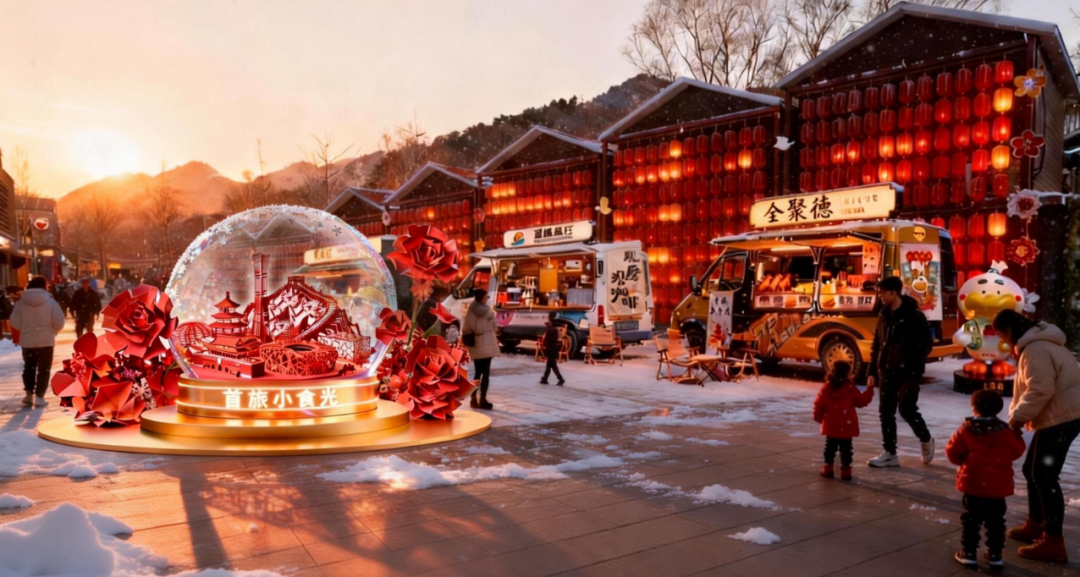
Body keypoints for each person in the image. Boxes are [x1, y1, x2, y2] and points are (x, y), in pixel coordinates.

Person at [992, 309, 1080, 563]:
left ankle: (1053, 541)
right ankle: (1035, 524)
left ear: (1009, 330)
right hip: (1061, 413)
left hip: (1062, 416)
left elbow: (1040, 388)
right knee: (1032, 471)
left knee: (1044, 476)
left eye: (1002, 337)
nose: (1004, 343)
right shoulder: (1039, 344)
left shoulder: (1036, 349)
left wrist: (1017, 418)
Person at [945, 389, 1027, 569]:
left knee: (971, 520)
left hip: (973, 485)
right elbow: (1016, 451)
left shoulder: (966, 429)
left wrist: (963, 461)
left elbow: (952, 452)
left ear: (974, 408)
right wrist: (1017, 436)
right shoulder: (1005, 432)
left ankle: (969, 553)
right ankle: (995, 555)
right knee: (996, 522)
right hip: (998, 487)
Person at [867, 276, 935, 468]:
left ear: (893, 292)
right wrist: (872, 371)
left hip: (909, 372)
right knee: (886, 412)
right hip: (886, 371)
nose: (880, 297)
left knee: (907, 409)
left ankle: (925, 438)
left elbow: (925, 345)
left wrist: (910, 362)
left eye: (883, 293)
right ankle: (890, 453)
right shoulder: (884, 315)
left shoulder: (914, 316)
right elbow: (877, 344)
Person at [813, 360, 874, 480]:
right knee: (846, 449)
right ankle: (846, 471)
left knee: (830, 447)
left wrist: (819, 418)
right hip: (846, 425)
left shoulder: (826, 388)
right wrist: (870, 389)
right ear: (847, 374)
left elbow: (818, 404)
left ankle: (828, 468)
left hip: (831, 425)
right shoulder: (849, 388)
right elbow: (861, 401)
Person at [10, 276, 66, 407]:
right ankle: (40, 396)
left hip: (28, 341)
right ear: (44, 286)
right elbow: (59, 321)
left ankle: (29, 394)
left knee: (29, 367)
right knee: (44, 369)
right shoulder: (51, 302)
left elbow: (14, 322)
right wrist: (52, 331)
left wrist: (25, 330)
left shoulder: (21, 302)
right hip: (46, 341)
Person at [463, 288, 498, 410]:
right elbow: (495, 326)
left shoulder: (471, 310)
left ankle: (473, 398)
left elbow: (466, 328)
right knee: (486, 373)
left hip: (476, 343)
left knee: (477, 372)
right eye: (485, 296)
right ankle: (483, 400)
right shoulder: (489, 311)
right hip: (487, 343)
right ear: (482, 297)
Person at [539, 311, 565, 386]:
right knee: (552, 365)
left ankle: (546, 379)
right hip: (554, 348)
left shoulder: (550, 330)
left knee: (550, 365)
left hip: (551, 349)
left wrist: (545, 346)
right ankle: (551, 378)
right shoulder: (555, 328)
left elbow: (546, 340)